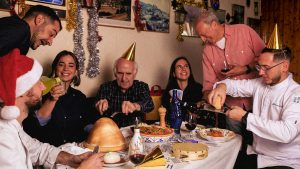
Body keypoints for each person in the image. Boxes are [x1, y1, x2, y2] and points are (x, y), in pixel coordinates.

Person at [0, 49, 103, 168]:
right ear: (23, 90)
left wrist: (72, 158)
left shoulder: (14, 128)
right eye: (38, 82)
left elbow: (38, 151)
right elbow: (37, 127)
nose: (43, 86)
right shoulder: (4, 140)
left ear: (76, 72)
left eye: (71, 65)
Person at [208, 46, 300, 169]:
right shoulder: (260, 83)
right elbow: (233, 86)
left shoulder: (295, 93)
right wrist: (222, 87)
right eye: (259, 67)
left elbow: (286, 132)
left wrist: (245, 117)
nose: (261, 73)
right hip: (256, 155)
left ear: (284, 66)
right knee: (219, 162)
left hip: (283, 161)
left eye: (266, 68)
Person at [195, 10, 265, 133]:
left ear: (214, 25)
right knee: (235, 147)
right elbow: (208, 85)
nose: (202, 39)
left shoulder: (244, 31)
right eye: (200, 35)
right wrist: (209, 97)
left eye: (204, 34)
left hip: (258, 105)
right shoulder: (207, 51)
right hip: (232, 110)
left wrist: (246, 68)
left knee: (259, 147)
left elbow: (268, 61)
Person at [23, 50, 91, 146]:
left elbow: (86, 123)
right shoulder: (41, 92)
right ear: (55, 68)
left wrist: (99, 129)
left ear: (76, 72)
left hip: (75, 150)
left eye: (71, 65)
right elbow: (34, 127)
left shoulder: (80, 97)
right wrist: (51, 100)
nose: (66, 68)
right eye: (61, 64)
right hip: (48, 152)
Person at [95, 43, 154, 127]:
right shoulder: (105, 87)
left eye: (128, 74)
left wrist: (135, 106)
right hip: (111, 130)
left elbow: (149, 105)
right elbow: (97, 104)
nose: (124, 78)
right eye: (120, 73)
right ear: (115, 73)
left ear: (135, 73)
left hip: (135, 131)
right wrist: (100, 104)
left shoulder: (141, 86)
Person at [161, 56, 203, 123]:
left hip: (195, 128)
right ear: (174, 73)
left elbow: (202, 113)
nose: (183, 69)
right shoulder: (169, 92)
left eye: (186, 66)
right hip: (174, 127)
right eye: (179, 67)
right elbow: (166, 115)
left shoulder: (199, 88)